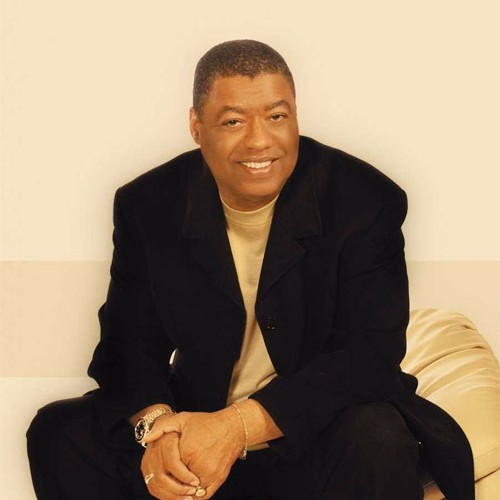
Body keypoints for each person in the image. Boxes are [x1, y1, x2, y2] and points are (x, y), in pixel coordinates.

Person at [26, 40, 475, 500]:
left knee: (376, 435)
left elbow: (368, 358)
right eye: (233, 121)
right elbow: (127, 345)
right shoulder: (149, 204)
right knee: (59, 431)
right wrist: (158, 430)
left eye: (277, 116)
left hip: (314, 434)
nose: (260, 141)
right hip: (197, 423)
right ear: (196, 127)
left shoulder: (364, 199)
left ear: (296, 115)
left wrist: (237, 427)